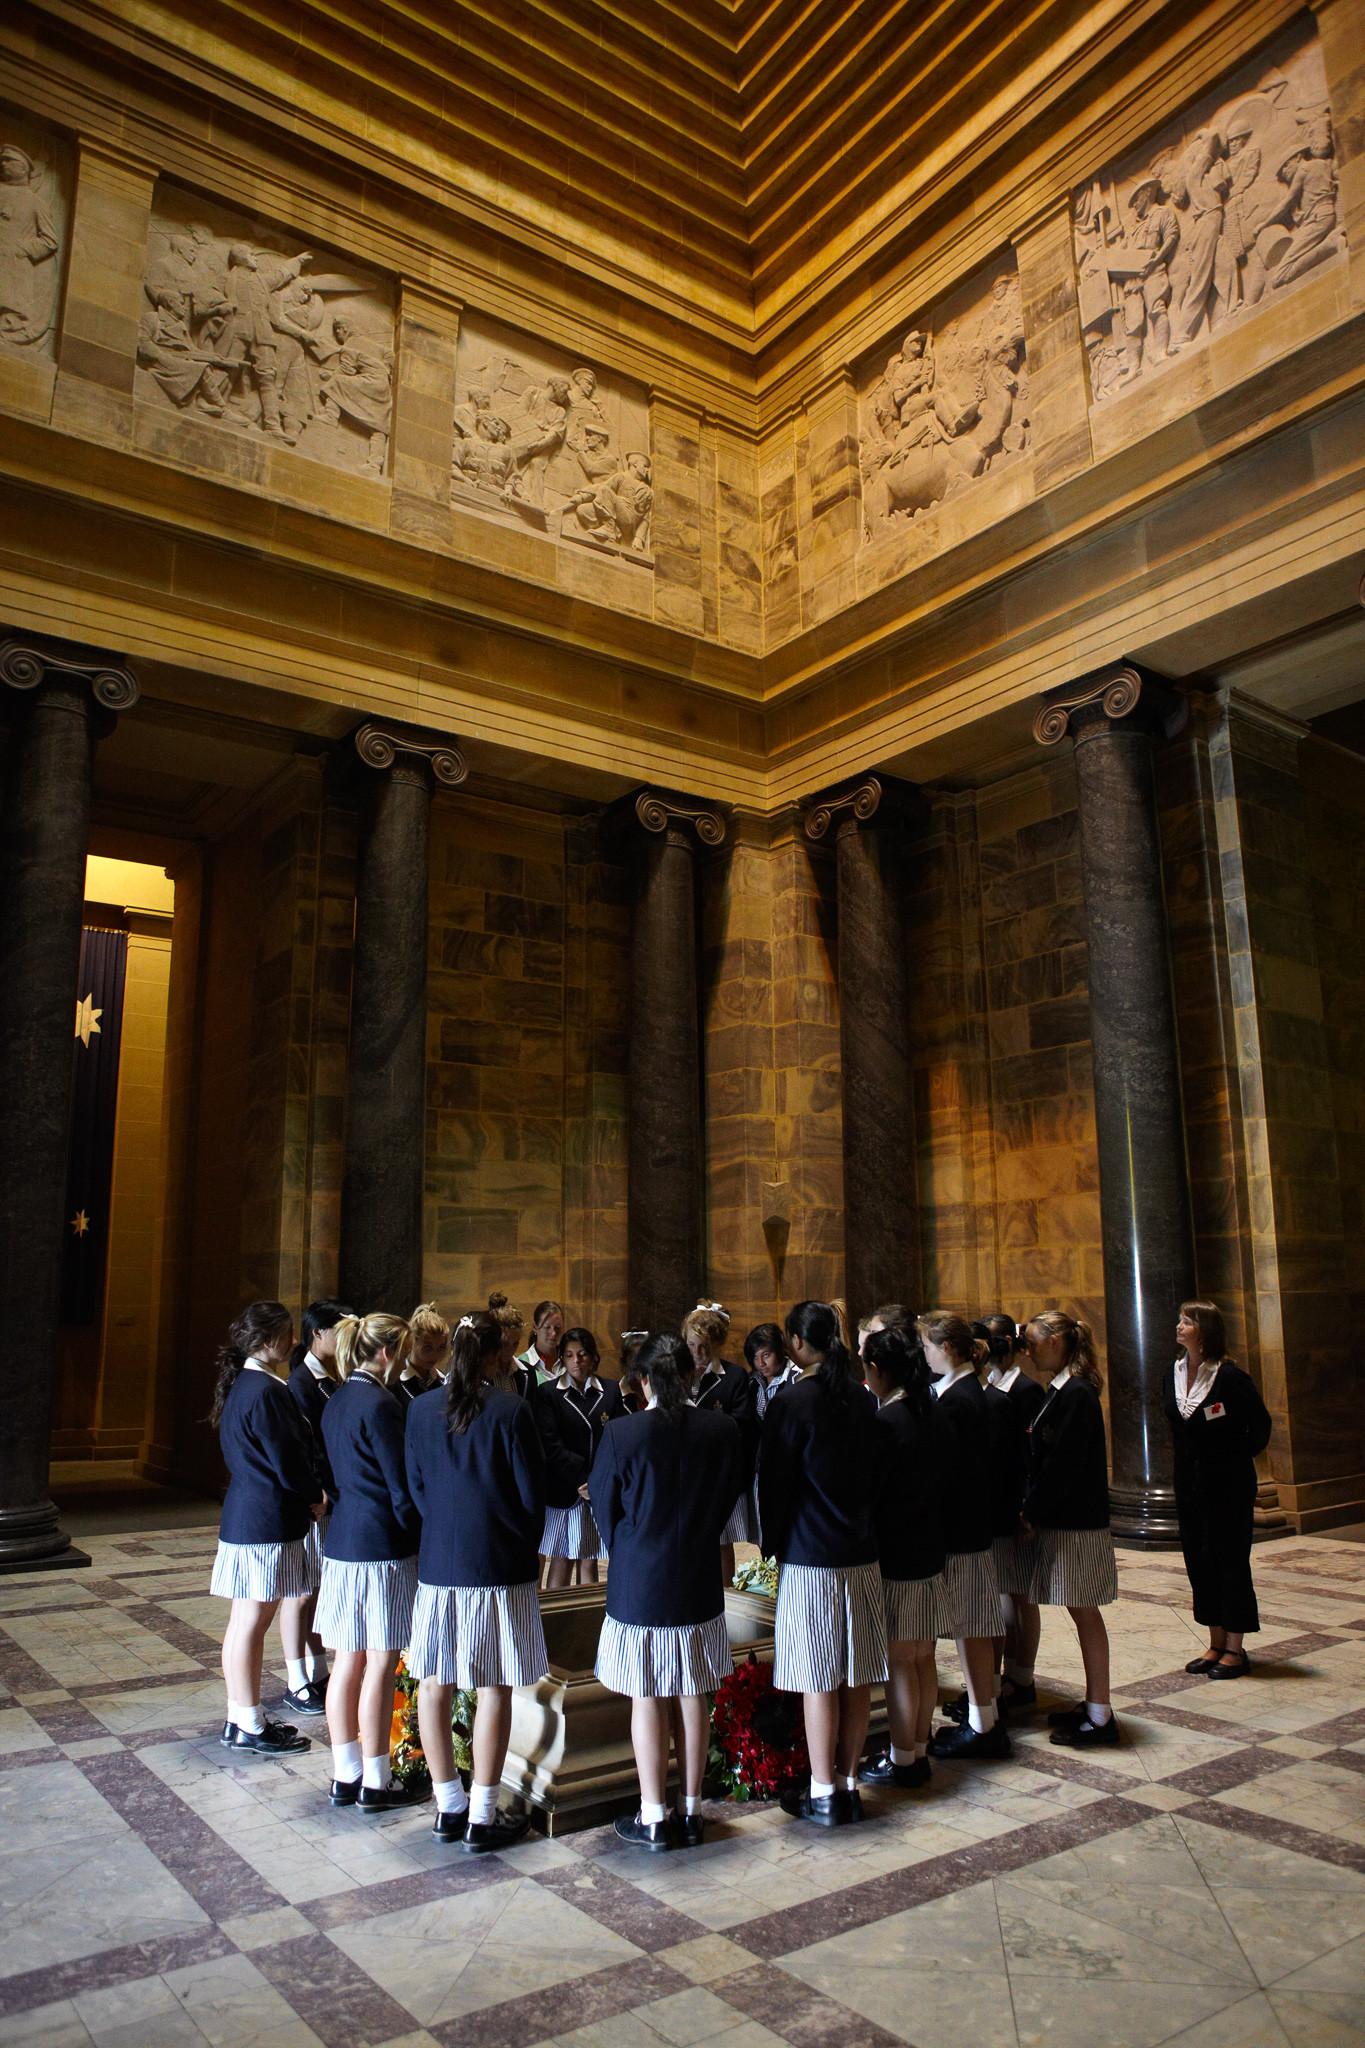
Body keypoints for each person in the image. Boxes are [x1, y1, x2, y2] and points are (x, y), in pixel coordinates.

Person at [591, 1333, 743, 1850]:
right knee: (693, 1692)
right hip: (698, 1574)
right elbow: (727, 1499)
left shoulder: (624, 1435)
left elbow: (604, 1511)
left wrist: (632, 1548)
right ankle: (693, 1810)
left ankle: (654, 1814)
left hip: (640, 1581)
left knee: (648, 1694)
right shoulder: (721, 1430)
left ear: (642, 1381)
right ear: (691, 1375)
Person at [405, 1308, 547, 1851]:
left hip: (441, 1563)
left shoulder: (419, 1411)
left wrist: (444, 1528)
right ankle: (482, 1815)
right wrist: (521, 1542)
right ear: (495, 1355)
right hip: (499, 1563)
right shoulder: (510, 1409)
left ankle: (448, 1807)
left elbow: (415, 1488)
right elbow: (530, 1496)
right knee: (494, 1685)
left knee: (433, 1683)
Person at [759, 1300, 888, 1827]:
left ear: (795, 1342)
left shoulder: (792, 1401)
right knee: (855, 1674)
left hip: (812, 1556)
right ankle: (850, 1782)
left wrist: (773, 1542)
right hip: (860, 1552)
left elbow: (774, 1483)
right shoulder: (861, 1399)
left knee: (818, 1674)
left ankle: (822, 1791)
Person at [317, 1312, 423, 1809]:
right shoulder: (381, 1404)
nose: (402, 1360)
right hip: (380, 1545)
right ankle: (378, 1782)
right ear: (386, 1353)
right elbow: (400, 1488)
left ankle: (345, 1774)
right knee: (380, 1662)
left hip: (342, 1542)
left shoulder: (337, 1399)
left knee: (347, 1662)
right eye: (400, 1352)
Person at [208, 1300, 322, 1755]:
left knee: (244, 1622)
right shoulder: (268, 1390)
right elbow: (288, 1460)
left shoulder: (242, 1386)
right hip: (267, 1520)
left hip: (245, 1514)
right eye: (289, 1333)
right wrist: (314, 1495)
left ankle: (241, 1717)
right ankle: (249, 1721)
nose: (293, 1341)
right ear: (269, 1338)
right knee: (251, 1622)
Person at [1020, 1309, 1121, 1745]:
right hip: (1066, 1521)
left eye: (1033, 1341)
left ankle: (1100, 1714)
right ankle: (1094, 1704)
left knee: (1085, 1612)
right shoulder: (1061, 1389)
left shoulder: (1077, 1394)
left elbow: (1064, 1466)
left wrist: (1033, 1512)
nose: (1027, 1350)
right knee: (1081, 1612)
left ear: (1057, 1342)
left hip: (1077, 1525)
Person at [858, 1325, 952, 1790]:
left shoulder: (887, 1421)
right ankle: (918, 1745)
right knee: (922, 1655)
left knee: (900, 1658)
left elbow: (875, 1491)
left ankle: (902, 1759)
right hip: (930, 1546)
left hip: (898, 1551)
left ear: (876, 1371)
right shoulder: (930, 1408)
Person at [1165, 1300, 1272, 1680]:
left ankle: (1236, 1648)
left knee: (1230, 1561)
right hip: (1190, 1487)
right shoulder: (1173, 1374)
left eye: (1188, 1321)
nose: (1179, 1326)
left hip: (1228, 1485)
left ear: (1205, 1330)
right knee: (1199, 1562)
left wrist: (1229, 1459)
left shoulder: (1229, 1378)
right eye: (1180, 1320)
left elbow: (1259, 1428)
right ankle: (1214, 1641)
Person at [920, 1313, 1008, 1760]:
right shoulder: (959, 1393)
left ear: (948, 1350)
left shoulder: (960, 1400)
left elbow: (950, 1472)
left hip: (961, 1531)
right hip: (966, 1528)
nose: (924, 1355)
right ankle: (981, 1717)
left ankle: (983, 1723)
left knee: (971, 1626)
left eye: (928, 1347)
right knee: (967, 1625)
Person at [283, 1297, 356, 1713]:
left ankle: (318, 1668)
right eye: (340, 1330)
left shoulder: (332, 1378)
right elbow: (305, 1446)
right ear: (318, 1334)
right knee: (301, 1591)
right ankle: (296, 1679)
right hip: (317, 1501)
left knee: (318, 1589)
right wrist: (317, 1491)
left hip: (335, 1499)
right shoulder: (301, 1383)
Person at [979, 1314, 1045, 1709]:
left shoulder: (1025, 1390)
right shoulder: (988, 1388)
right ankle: (1004, 1677)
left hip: (1017, 1506)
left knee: (1021, 1595)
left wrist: (1027, 1506)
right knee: (1004, 1593)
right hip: (996, 1506)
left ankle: (1023, 1676)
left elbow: (1030, 1456)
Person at [532, 1326, 624, 1588]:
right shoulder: (549, 1393)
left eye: (582, 1354)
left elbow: (617, 1440)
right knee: (562, 1556)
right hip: (566, 1488)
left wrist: (600, 1482)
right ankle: (555, 1619)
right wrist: (583, 1479)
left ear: (594, 1357)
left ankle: (589, 1616)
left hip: (599, 1489)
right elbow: (550, 1444)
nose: (576, 1361)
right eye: (570, 1355)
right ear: (562, 1359)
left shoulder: (610, 1390)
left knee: (590, 1557)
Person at [683, 1303, 757, 1579]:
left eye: (705, 1346)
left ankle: (726, 1602)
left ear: (717, 1343)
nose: (698, 1353)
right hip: (686, 1471)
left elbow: (741, 1424)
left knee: (722, 1542)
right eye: (692, 1345)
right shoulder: (678, 1374)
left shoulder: (734, 1376)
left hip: (720, 1472)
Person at [394, 1302, 451, 1407]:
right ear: (411, 1342)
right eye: (427, 1348)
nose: (435, 1355)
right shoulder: (395, 1382)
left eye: (441, 1348)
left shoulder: (444, 1381)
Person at [515, 1298, 565, 1398]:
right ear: (535, 1327)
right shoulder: (521, 1365)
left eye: (558, 1327)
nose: (554, 1333)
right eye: (547, 1327)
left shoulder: (569, 1361)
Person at [489, 1291, 526, 1389]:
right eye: (504, 1344)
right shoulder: (480, 1373)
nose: (510, 1350)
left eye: (515, 1343)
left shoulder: (527, 1373)